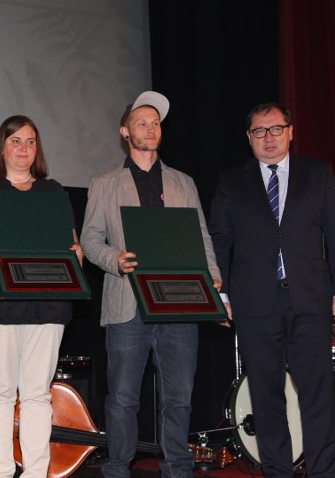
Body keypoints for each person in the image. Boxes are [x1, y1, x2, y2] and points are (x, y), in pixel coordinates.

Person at [207, 103, 335, 478]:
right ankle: (278, 472)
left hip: (311, 300)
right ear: (249, 138)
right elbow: (219, 241)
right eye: (259, 131)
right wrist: (221, 296)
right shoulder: (232, 179)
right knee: (266, 396)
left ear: (291, 131)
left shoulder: (318, 174)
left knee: (317, 395)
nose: (268, 138)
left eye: (275, 129)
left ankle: (325, 473)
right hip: (255, 303)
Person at [80, 91, 222, 478]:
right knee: (123, 398)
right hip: (127, 302)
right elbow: (90, 240)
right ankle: (117, 468)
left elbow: (201, 237)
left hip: (181, 302)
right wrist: (115, 260)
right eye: (142, 122)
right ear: (125, 131)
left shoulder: (183, 182)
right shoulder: (105, 183)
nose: (151, 128)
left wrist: (213, 282)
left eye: (156, 123)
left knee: (179, 399)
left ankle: (178, 468)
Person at [0, 115, 81, 478]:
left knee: (38, 393)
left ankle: (37, 473)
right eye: (16, 141)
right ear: (2, 147)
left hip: (48, 300)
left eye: (30, 141)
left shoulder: (53, 191)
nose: (24, 148)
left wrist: (76, 251)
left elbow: (70, 241)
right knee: (1, 392)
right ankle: (1, 474)